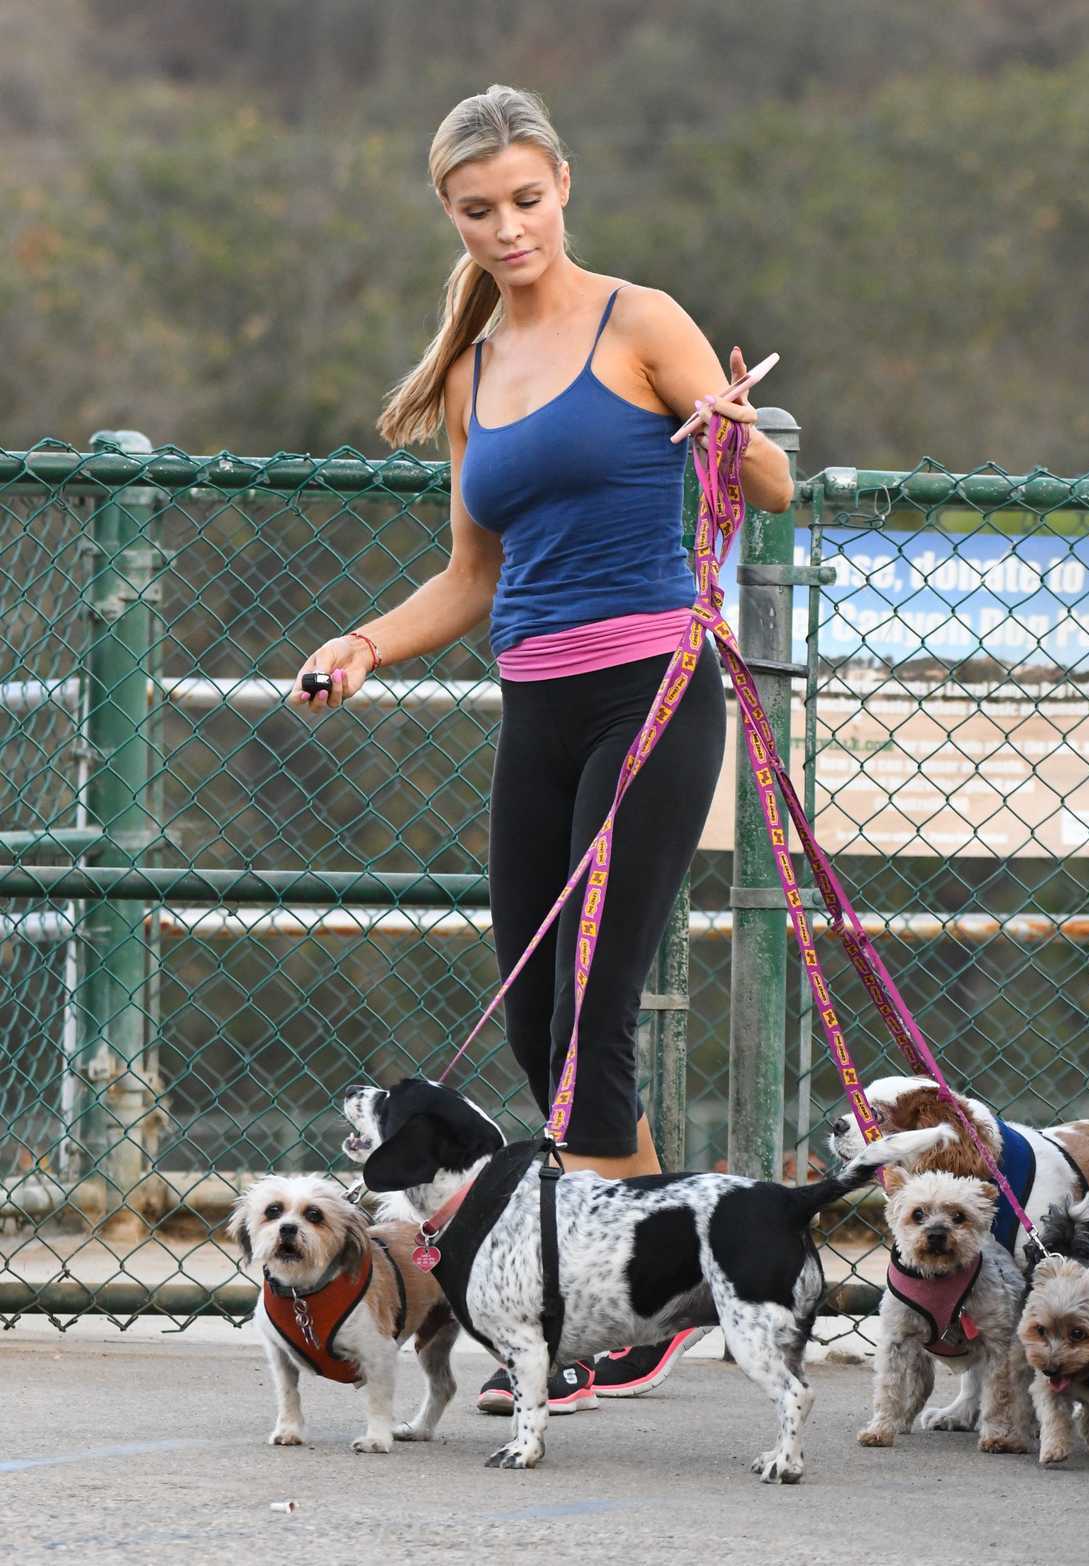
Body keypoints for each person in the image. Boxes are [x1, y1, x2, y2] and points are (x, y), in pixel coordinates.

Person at [290, 84, 794, 1414]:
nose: (506, 226)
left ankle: (601, 1310)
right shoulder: (471, 372)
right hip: (539, 700)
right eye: (477, 210)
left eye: (525, 198)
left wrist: (728, 435)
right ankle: (660, 1279)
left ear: (561, 184)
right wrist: (364, 644)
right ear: (448, 217)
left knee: (592, 1001)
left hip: (655, 687)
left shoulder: (642, 321)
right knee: (536, 1011)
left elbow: (768, 484)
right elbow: (468, 575)